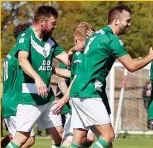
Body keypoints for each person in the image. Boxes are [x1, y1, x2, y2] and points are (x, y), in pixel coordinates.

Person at [69, 4, 153, 148]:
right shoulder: (112, 40)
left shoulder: (96, 36)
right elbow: (131, 66)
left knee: (79, 137)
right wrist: (151, 56)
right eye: (128, 21)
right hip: (89, 91)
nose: (129, 24)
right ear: (116, 21)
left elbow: (86, 54)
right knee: (108, 136)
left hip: (77, 91)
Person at [5, 6, 80, 148]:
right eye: (53, 23)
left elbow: (67, 60)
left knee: (58, 133)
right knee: (23, 138)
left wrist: (76, 53)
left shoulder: (50, 41)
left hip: (48, 97)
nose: (55, 26)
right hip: (30, 96)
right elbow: (22, 60)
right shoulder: (26, 36)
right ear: (42, 22)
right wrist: (37, 78)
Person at [53, 22, 96, 148]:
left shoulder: (91, 54)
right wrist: (67, 99)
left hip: (89, 99)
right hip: (78, 101)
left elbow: (75, 76)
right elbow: (71, 77)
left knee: (88, 138)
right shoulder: (76, 54)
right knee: (104, 136)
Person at [2, 22, 35, 148]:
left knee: (17, 138)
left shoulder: (11, 53)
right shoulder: (20, 54)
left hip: (9, 100)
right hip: (16, 102)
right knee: (28, 139)